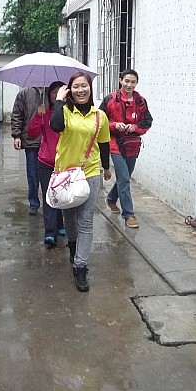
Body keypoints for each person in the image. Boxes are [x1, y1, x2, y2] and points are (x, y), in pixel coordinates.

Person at [50, 72, 111, 292]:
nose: (80, 90)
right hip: (66, 175)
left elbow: (104, 143)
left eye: (84, 86)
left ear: (90, 88)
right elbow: (56, 126)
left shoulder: (100, 116)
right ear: (70, 90)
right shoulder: (65, 111)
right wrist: (59, 101)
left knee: (85, 222)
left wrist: (106, 167)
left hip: (90, 173)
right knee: (69, 220)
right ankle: (73, 245)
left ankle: (80, 266)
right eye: (75, 86)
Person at [99, 69, 153, 229]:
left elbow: (147, 122)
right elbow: (99, 120)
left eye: (133, 82)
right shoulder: (110, 99)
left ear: (137, 83)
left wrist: (134, 127)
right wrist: (114, 125)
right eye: (127, 81)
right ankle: (128, 214)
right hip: (114, 142)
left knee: (125, 177)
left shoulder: (140, 101)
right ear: (120, 80)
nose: (129, 85)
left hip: (132, 144)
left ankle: (111, 199)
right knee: (123, 178)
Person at [27, 81, 66, 248]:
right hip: (45, 161)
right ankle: (50, 232)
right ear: (49, 95)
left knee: (63, 196)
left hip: (65, 163)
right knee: (49, 196)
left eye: (60, 91)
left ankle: (60, 223)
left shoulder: (69, 114)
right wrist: (38, 116)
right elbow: (32, 132)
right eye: (53, 92)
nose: (56, 95)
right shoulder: (45, 114)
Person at [11, 87, 44, 215]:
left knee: (50, 175)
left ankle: (50, 202)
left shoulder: (53, 91)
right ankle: (34, 202)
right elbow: (17, 114)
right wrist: (17, 135)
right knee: (32, 175)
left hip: (49, 141)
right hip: (31, 141)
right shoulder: (24, 94)